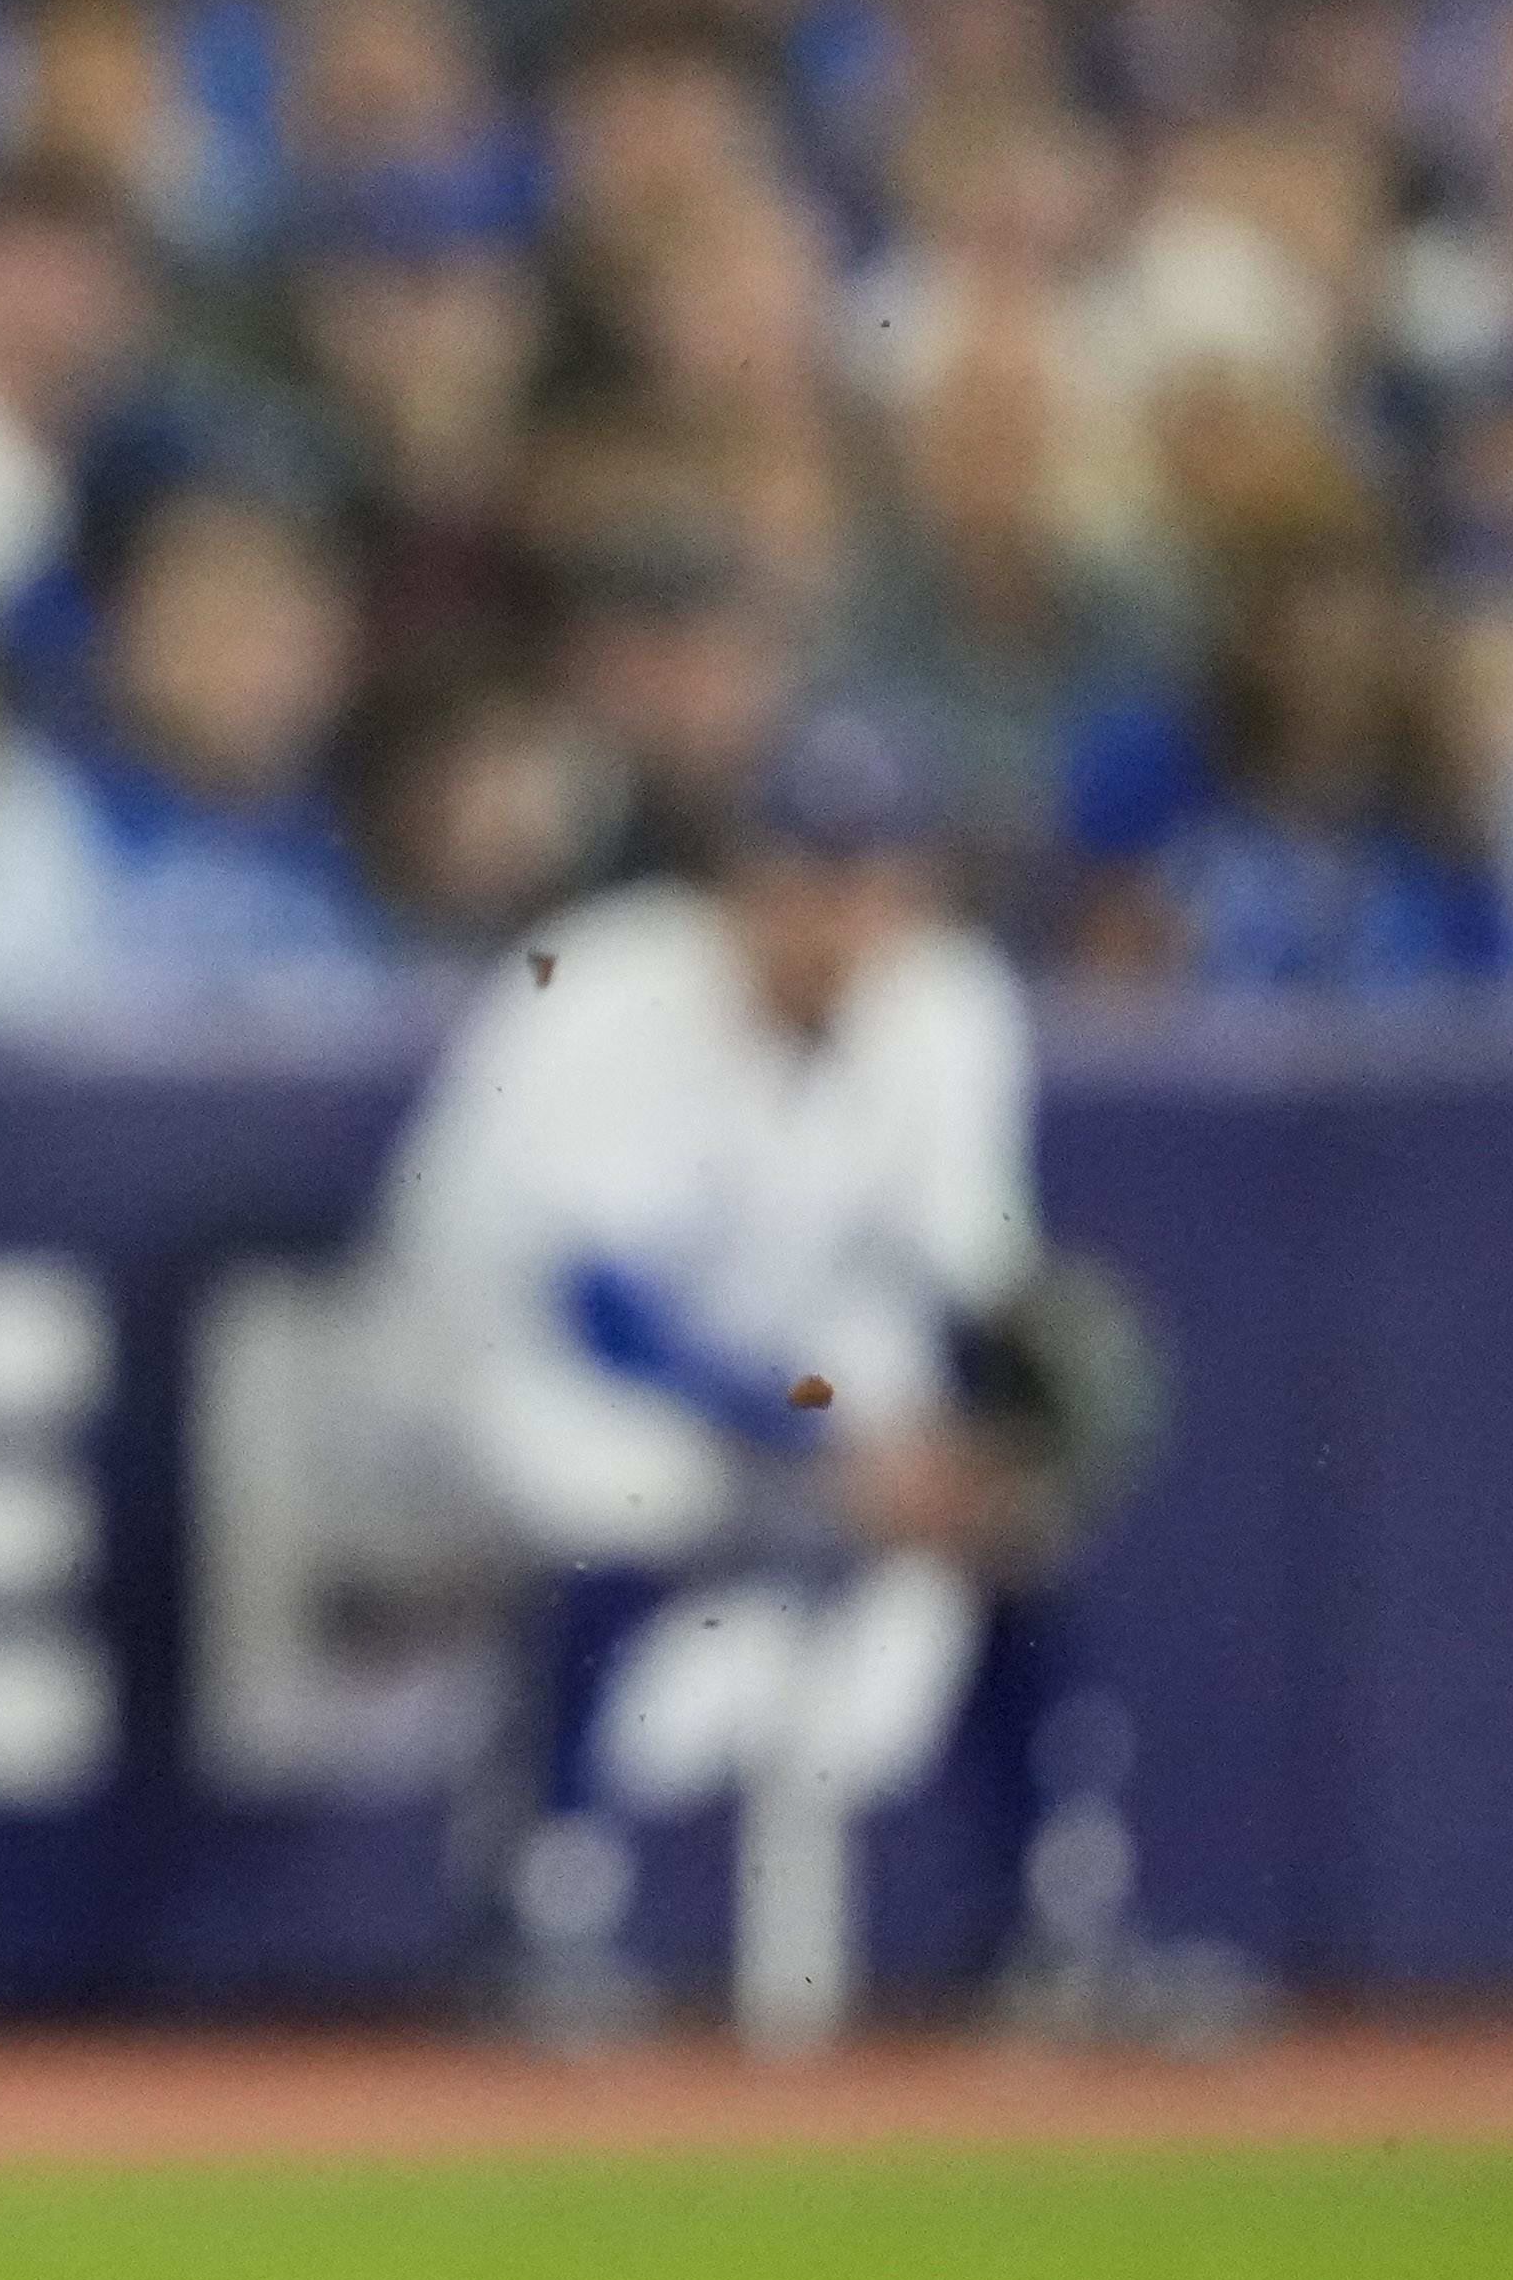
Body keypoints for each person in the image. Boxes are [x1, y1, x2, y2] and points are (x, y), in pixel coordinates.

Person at [358, 698, 1072, 2022]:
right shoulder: (600, 983)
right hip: (480, 1371)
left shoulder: (950, 1005)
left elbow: (972, 1273)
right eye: (809, 863)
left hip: (769, 1375)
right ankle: (542, 1901)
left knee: (1012, 1508)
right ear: (742, 867)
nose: (837, 904)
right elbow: (598, 1306)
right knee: (622, 1485)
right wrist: (829, 1438)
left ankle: (1054, 1910)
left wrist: (989, 1427)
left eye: (870, 868)